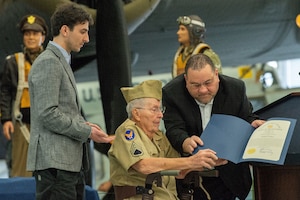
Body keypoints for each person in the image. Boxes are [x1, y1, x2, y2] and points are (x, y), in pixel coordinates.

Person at [26, 2, 114, 200]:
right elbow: (48, 114)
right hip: (55, 165)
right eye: (83, 31)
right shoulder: (49, 62)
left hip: (66, 165)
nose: (87, 38)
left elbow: (62, 112)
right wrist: (86, 130)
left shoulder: (60, 61)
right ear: (65, 30)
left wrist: (86, 126)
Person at [162, 54, 265, 200]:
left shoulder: (235, 89)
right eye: (196, 85)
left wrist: (252, 124)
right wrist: (185, 142)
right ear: (186, 80)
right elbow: (173, 129)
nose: (203, 90)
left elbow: (246, 117)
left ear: (216, 74)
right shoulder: (172, 93)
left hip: (229, 174)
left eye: (208, 83)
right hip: (191, 175)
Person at [108, 79, 227, 200]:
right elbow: (144, 165)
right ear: (136, 114)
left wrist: (206, 161)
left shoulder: (158, 136)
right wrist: (192, 161)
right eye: (154, 109)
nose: (160, 115)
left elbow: (179, 171)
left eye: (161, 109)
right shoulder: (127, 132)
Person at [0, 14, 48, 177]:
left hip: (49, 123)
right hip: (22, 123)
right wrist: (6, 119)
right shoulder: (13, 62)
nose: (31, 37)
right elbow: (5, 92)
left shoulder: (51, 61)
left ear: (43, 36)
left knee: (51, 169)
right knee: (21, 171)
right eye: (27, 34)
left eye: (35, 33)